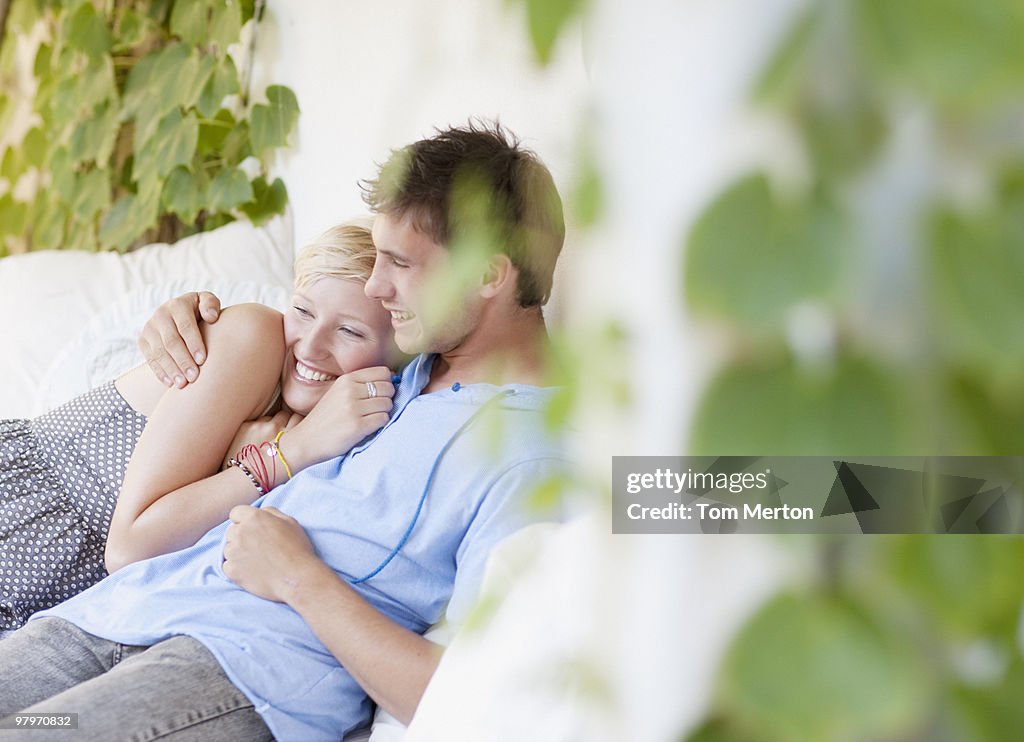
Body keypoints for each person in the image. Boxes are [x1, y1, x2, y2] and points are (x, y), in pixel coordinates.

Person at [0, 121, 567, 741]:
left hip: (237, 667)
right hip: (114, 613)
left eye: (400, 264)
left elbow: (472, 698)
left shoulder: (531, 453)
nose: (376, 287)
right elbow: (299, 336)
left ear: (489, 276)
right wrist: (193, 322)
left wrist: (301, 577)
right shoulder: (405, 365)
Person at [0, 221, 399, 632]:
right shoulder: (255, 338)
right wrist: (287, 454)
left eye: (350, 330)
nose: (311, 346)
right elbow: (129, 549)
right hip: (20, 522)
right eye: (302, 310)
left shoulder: (352, 424)